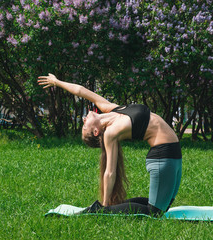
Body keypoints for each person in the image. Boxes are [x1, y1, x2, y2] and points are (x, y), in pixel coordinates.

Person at [38, 73, 182, 217]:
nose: (83, 119)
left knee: (163, 206)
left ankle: (110, 208)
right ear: (96, 132)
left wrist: (57, 82)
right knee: (155, 212)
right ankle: (101, 209)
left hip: (174, 153)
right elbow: (110, 171)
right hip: (162, 156)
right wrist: (105, 203)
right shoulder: (110, 133)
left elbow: (81, 91)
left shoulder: (111, 109)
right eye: (84, 126)